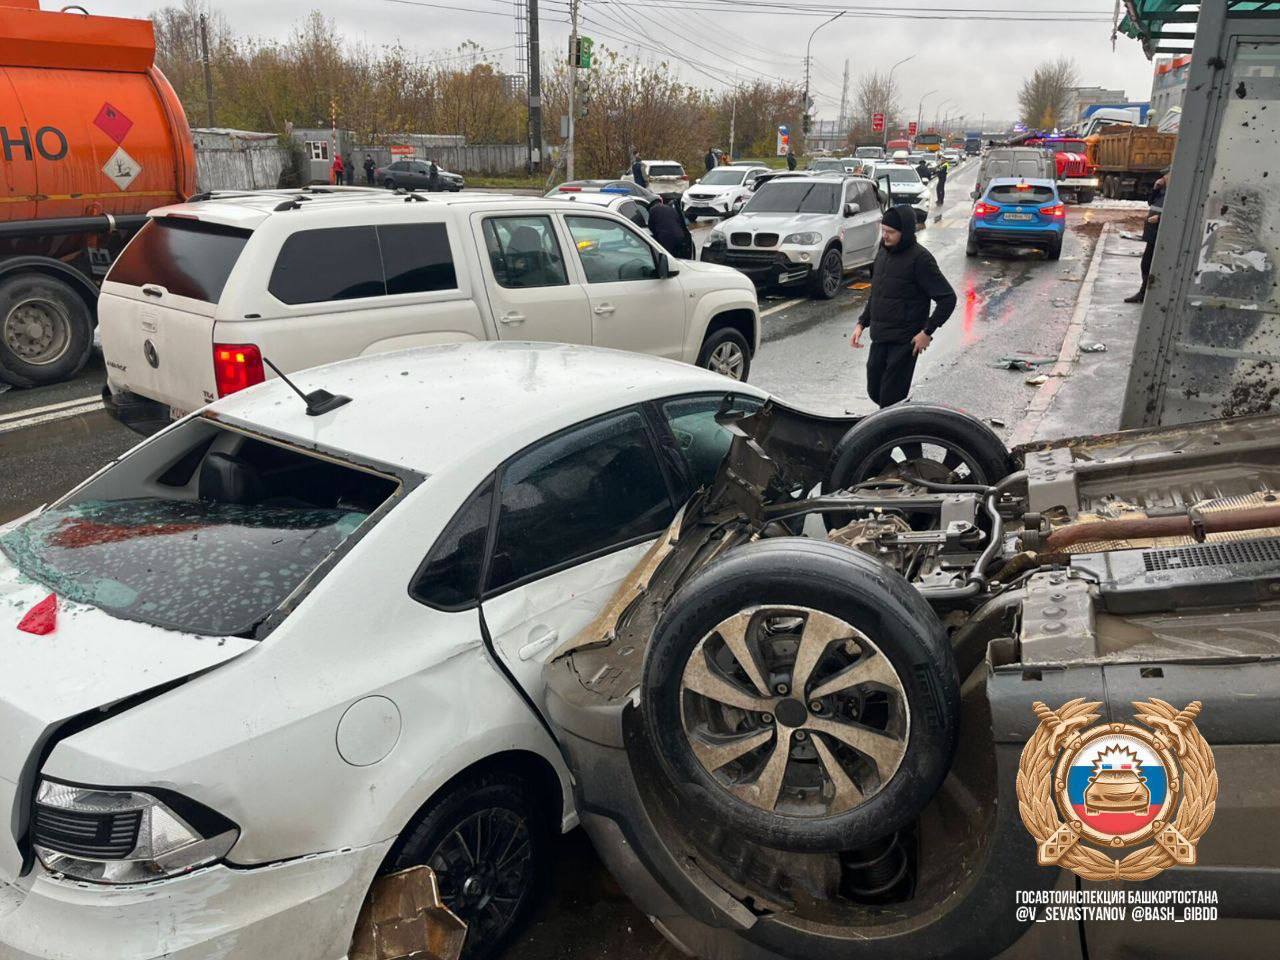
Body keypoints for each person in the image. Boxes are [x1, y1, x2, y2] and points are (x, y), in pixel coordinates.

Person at [850, 205, 957, 408]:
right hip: (880, 337)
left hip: (905, 342)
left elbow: (948, 299)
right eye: (883, 230)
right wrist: (862, 323)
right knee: (875, 390)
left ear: (905, 232)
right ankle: (901, 423)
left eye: (891, 232)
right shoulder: (882, 253)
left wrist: (927, 332)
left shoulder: (921, 259)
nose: (885, 236)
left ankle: (899, 426)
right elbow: (877, 293)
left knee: (890, 399)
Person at [1125, 170, 1169, 304]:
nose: (1163, 178)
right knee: (1146, 264)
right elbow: (1150, 202)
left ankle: (1150, 294)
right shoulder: (1163, 191)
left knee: (1155, 265)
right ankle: (1144, 292)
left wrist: (1160, 218)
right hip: (1152, 234)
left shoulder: (1176, 193)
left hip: (1162, 234)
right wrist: (1156, 187)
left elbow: (1177, 212)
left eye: (1166, 175)